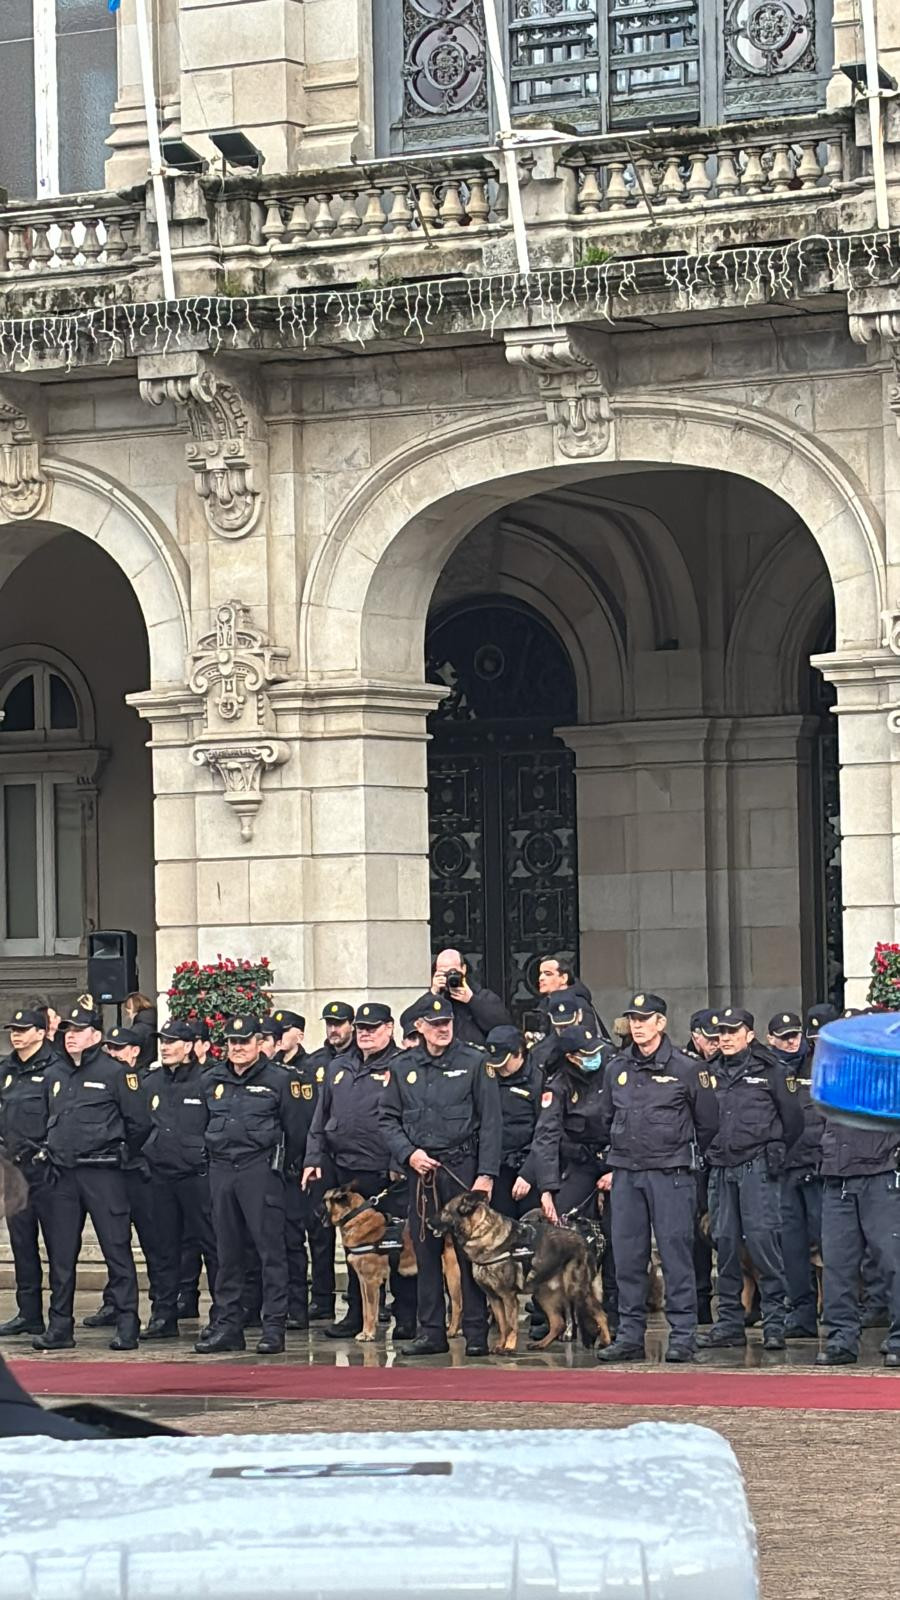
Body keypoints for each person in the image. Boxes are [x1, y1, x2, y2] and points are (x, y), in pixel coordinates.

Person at [594, 993, 718, 1365]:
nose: (638, 1025)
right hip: (627, 1172)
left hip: (671, 1172)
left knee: (676, 1255)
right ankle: (630, 1335)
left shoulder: (687, 1069)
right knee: (628, 1258)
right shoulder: (616, 1067)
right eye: (633, 1018)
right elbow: (604, 1117)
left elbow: (708, 1122)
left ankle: (683, 1336)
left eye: (645, 1018)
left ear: (661, 1023)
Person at [379, 992, 502, 1357]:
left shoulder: (475, 1062)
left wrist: (486, 1175)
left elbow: (492, 1123)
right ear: (419, 1028)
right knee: (425, 1249)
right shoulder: (402, 1067)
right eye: (434, 1025)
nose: (441, 1030)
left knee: (469, 1252)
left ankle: (476, 1330)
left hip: (462, 1168)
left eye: (446, 1023)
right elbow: (387, 1119)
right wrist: (409, 1154)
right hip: (423, 1171)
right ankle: (431, 1329)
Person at [34, 1000, 148, 1353]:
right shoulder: (55, 1073)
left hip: (103, 1171)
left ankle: (128, 1323)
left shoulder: (115, 1073)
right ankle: (59, 1327)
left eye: (79, 1030)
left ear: (96, 1035)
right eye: (67, 1030)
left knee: (116, 1249)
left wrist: (120, 1153)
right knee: (62, 1253)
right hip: (64, 1173)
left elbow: (140, 1122)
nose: (71, 1037)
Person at [197, 1013, 312, 1356]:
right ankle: (229, 1324)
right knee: (227, 1252)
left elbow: (298, 1130)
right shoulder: (212, 1078)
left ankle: (273, 1325)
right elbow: (204, 1122)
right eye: (232, 1042)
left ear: (259, 1043)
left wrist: (284, 1170)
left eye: (244, 1041)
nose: (237, 1048)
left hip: (260, 1169)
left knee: (270, 1251)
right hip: (221, 1169)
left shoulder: (280, 1080)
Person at [303, 1001, 416, 1341]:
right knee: (356, 1250)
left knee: (398, 1248)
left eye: (373, 1028)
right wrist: (313, 1158)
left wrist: (400, 1161)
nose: (366, 1034)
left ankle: (406, 1319)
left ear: (389, 1028)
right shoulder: (339, 1066)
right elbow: (319, 1119)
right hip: (346, 1170)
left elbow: (410, 1117)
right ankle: (355, 1315)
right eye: (362, 1028)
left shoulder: (402, 1065)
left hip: (387, 1172)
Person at [697, 1006, 804, 1352]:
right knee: (724, 1245)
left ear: (750, 1034)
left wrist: (774, 1149)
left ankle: (774, 1322)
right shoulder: (708, 1072)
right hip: (721, 1167)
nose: (725, 1038)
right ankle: (728, 1322)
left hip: (756, 1166)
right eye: (721, 1033)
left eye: (733, 1031)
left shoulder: (770, 1070)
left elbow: (793, 1121)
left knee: (763, 1244)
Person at [530, 1022, 618, 1334]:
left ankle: (614, 1319)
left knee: (617, 1240)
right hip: (578, 1162)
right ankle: (551, 1316)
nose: (594, 1057)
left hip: (615, 1160)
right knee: (561, 1238)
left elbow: (628, 1120)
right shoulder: (558, 1085)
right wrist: (547, 1188)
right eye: (585, 1054)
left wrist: (615, 1168)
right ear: (569, 1057)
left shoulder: (613, 1072)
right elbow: (546, 1138)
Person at [139, 1018, 219, 1341]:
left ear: (189, 1047)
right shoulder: (151, 1082)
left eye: (172, 1041)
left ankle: (222, 1315)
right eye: (163, 1041)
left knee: (213, 1247)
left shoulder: (209, 1080)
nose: (165, 1047)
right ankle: (163, 1314)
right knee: (163, 1249)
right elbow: (138, 1122)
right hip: (160, 1177)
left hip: (198, 1178)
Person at [816, 1111, 900, 1366]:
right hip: (836, 1174)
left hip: (883, 1172)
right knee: (837, 1264)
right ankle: (841, 1339)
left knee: (892, 1261)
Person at [0, 1008, 59, 1335]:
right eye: (13, 1029)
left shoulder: (55, 1068)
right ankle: (28, 1313)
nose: (17, 1034)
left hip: (47, 1170)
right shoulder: (6, 1069)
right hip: (14, 1171)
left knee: (57, 1247)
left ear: (41, 1032)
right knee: (22, 1244)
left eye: (24, 1029)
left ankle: (59, 1317)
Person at [765, 1012, 823, 1339]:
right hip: (783, 1170)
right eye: (784, 1036)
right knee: (791, 1249)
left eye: (795, 1035)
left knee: (831, 1247)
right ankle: (801, 1315)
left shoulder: (819, 1065)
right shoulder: (768, 1071)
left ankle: (847, 1313)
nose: (791, 1041)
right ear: (771, 1039)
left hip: (817, 1168)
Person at [302, 1001, 359, 1321]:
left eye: (339, 1023)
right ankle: (321, 1298)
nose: (334, 1029)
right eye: (329, 1024)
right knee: (319, 1232)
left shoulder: (358, 1060)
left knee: (360, 1231)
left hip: (353, 1157)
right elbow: (312, 1114)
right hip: (324, 1156)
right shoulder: (315, 1063)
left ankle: (360, 1302)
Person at [483, 1025, 542, 1220]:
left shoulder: (539, 1078)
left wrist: (529, 1173)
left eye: (504, 1062)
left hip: (529, 1167)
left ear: (519, 1053)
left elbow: (546, 1132)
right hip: (498, 1167)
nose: (500, 1068)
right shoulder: (487, 1076)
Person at [430, 948, 511, 1047]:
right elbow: (410, 1021)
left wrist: (472, 1000)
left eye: (453, 972)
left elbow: (504, 1026)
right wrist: (433, 993)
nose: (449, 978)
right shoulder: (435, 998)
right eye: (443, 973)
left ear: (463, 969)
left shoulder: (482, 995)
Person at [122, 992, 158, 1070]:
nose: (128, 1015)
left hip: (140, 1070)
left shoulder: (137, 1029)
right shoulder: (156, 1021)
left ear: (131, 1009)